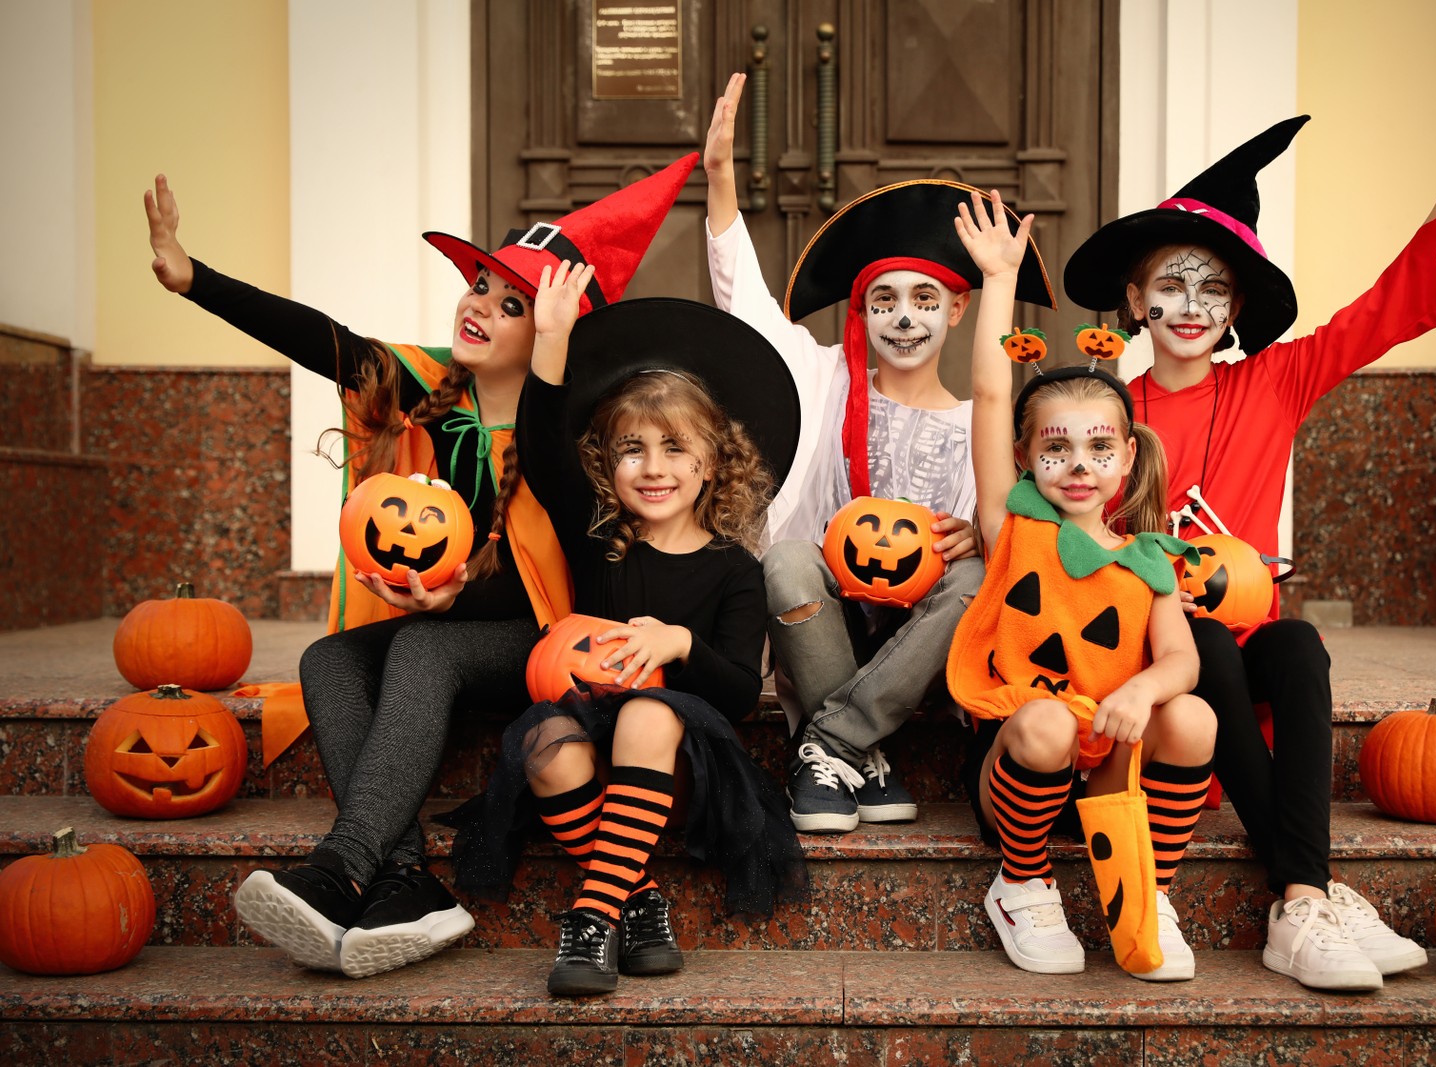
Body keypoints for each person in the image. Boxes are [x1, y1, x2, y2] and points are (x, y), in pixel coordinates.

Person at [143, 157, 695, 978]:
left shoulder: (578, 433)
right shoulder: (428, 386)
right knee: (328, 658)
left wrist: (453, 596)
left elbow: (554, 577)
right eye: (480, 283)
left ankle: (346, 863)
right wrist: (196, 279)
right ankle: (406, 876)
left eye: (514, 304)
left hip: (542, 641)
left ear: (553, 331)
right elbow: (323, 338)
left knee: (421, 649)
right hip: (438, 627)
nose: (481, 305)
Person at [1060, 66, 1436, 991]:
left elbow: (1382, 313)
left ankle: (1299, 900)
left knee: (1295, 641)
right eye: (1169, 286)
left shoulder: (1274, 383)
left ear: (1236, 313)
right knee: (1203, 634)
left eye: (1213, 290)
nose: (1190, 306)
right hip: (1161, 680)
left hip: (1246, 679)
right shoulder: (1101, 410)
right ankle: (1311, 890)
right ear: (1134, 301)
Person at [703, 73, 1055, 833]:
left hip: (920, 647)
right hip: (827, 621)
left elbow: (998, 528)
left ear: (957, 310)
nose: (904, 317)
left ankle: (831, 742)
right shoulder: (822, 375)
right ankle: (862, 754)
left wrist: (977, 532)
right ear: (860, 308)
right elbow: (743, 300)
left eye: (924, 301)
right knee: (788, 560)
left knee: (970, 574)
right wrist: (722, 179)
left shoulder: (974, 425)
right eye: (884, 299)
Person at [444, 266, 808, 997]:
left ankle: (588, 914)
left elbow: (740, 690)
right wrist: (550, 337)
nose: (653, 466)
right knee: (543, 742)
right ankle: (636, 901)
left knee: (647, 708)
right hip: (587, 731)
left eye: (675, 448)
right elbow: (542, 441)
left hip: (683, 760)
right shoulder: (599, 536)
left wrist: (679, 644)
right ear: (607, 464)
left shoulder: (735, 568)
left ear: (712, 463)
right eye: (631, 448)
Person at [945, 189, 1217, 981]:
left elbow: (1182, 659)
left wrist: (1144, 692)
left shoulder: (1148, 558)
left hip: (1108, 767)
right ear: (1028, 458)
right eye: (1056, 447)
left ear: (1128, 459)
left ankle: (1146, 891)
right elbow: (994, 395)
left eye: (1100, 447)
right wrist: (999, 278)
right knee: (1044, 725)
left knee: (1192, 717)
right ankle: (1021, 885)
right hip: (1022, 761)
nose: (1078, 464)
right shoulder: (1017, 528)